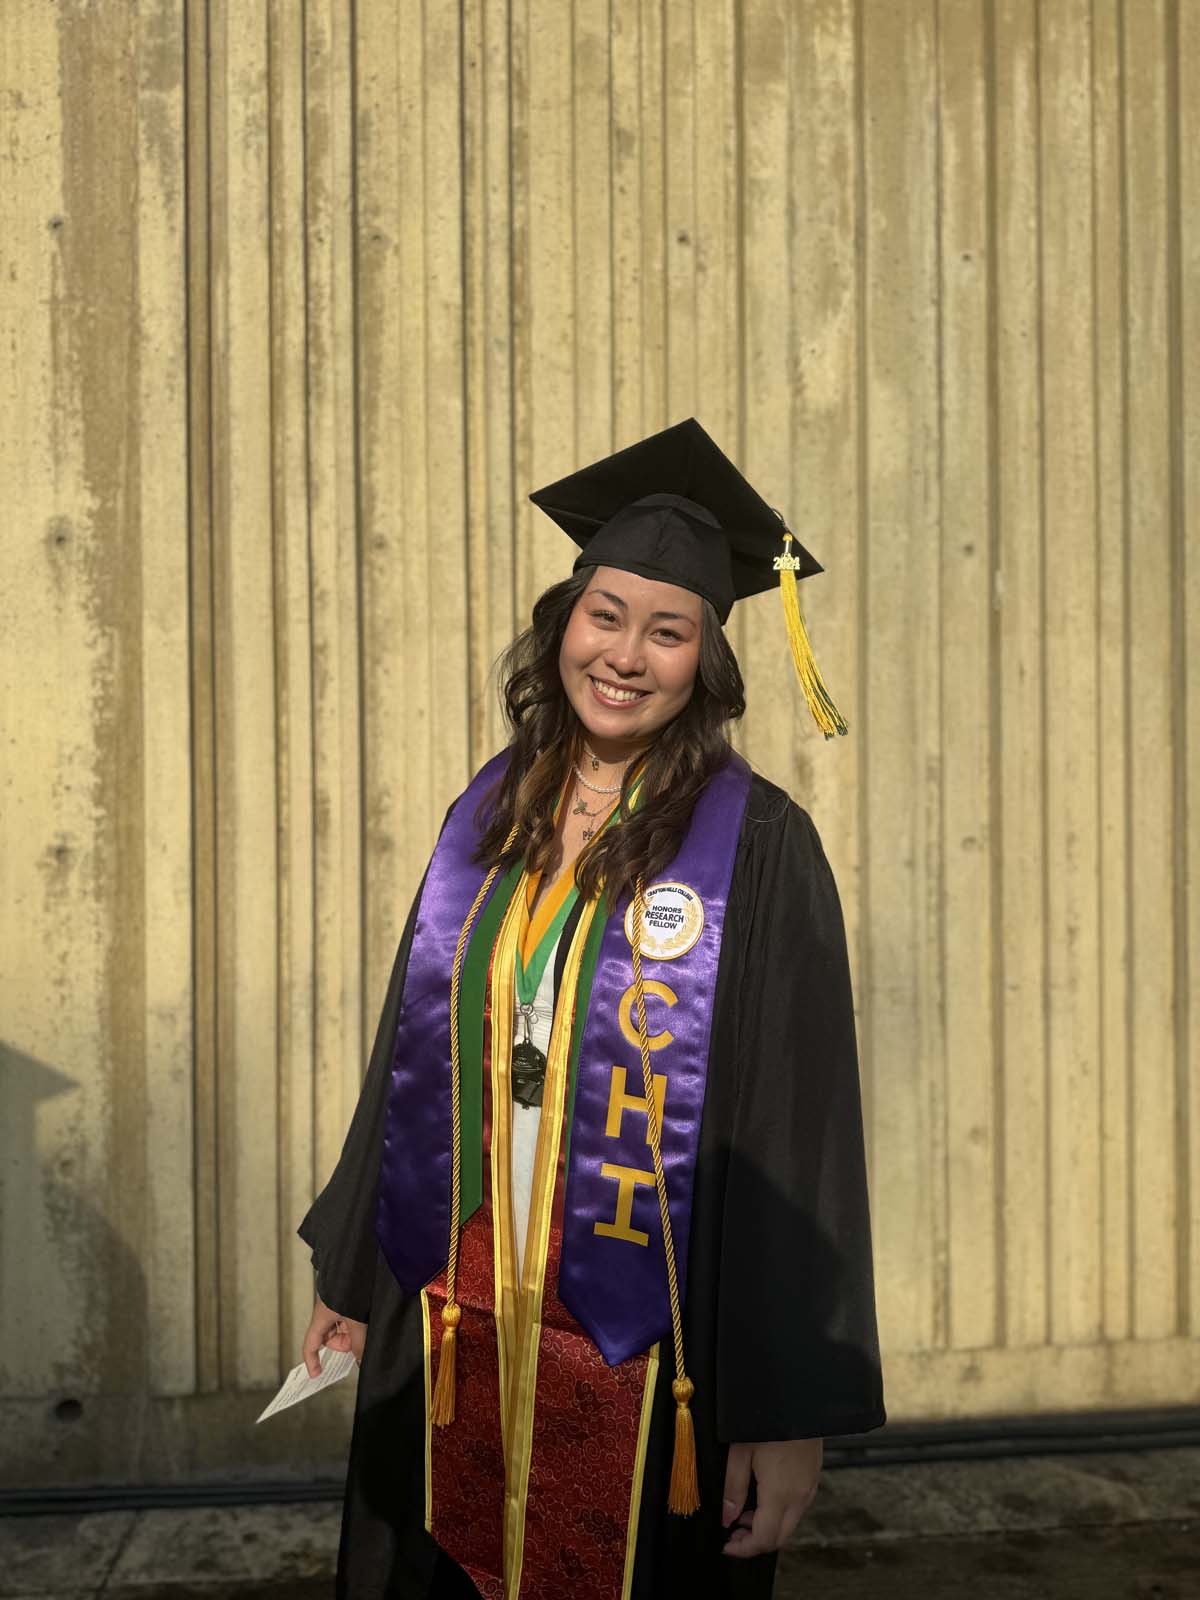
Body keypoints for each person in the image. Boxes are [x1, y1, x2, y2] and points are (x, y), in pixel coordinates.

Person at [298, 417, 885, 1600]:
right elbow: (410, 1054)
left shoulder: (758, 848)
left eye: (667, 631)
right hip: (460, 1293)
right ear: (562, 623)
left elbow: (794, 1137)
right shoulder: (490, 815)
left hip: (645, 1323)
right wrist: (354, 1277)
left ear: (706, 660)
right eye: (605, 616)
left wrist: (788, 1411)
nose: (625, 655)